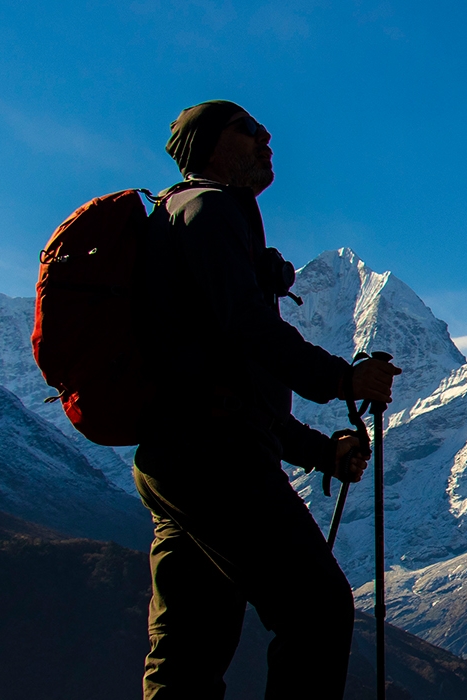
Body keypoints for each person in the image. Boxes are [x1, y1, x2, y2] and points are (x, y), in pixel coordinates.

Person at [131, 99, 400, 700]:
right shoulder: (211, 209)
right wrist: (343, 380)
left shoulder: (177, 218)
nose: (266, 138)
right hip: (217, 462)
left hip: (177, 460)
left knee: (187, 653)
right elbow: (246, 327)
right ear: (208, 146)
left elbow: (228, 389)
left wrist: (318, 450)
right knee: (318, 610)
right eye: (247, 130)